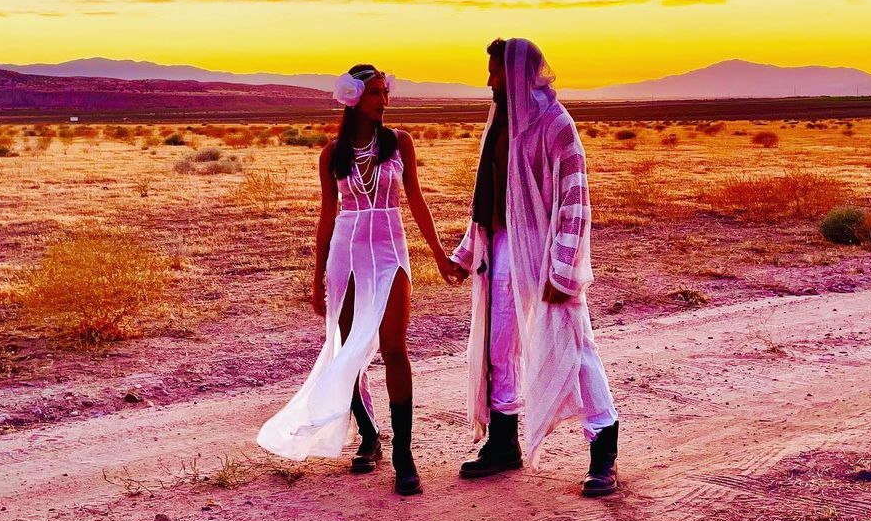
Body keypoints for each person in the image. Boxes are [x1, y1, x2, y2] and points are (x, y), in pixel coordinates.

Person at [257, 64, 459, 496]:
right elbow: (327, 216)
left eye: (385, 92)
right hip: (345, 255)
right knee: (348, 350)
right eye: (374, 94)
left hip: (390, 251)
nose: (383, 101)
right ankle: (369, 436)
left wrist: (440, 254)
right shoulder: (332, 154)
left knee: (394, 348)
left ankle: (404, 455)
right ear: (353, 99)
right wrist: (316, 278)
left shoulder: (399, 142)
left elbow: (416, 200)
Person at [449, 38, 620, 496]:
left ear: (517, 74)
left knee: (573, 347)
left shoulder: (555, 123)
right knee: (498, 346)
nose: (489, 80)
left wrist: (563, 269)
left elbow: (575, 200)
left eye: (495, 72)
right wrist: (465, 254)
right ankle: (503, 442)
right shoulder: (500, 123)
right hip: (500, 250)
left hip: (545, 253)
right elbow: (487, 200)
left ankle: (603, 447)